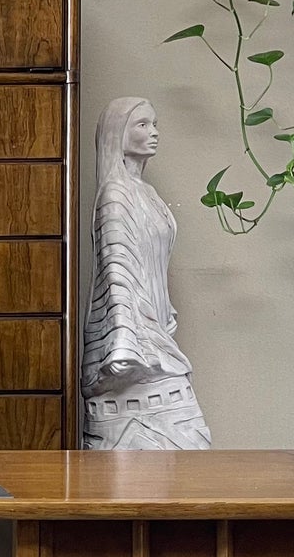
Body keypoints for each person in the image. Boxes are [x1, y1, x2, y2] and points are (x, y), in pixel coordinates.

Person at [81, 97, 212, 450]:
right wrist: (124, 342)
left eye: (154, 124)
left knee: (186, 448)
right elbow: (116, 266)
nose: (153, 133)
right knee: (177, 443)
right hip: (133, 345)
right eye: (142, 125)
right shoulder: (115, 194)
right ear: (118, 134)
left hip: (156, 331)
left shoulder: (148, 194)